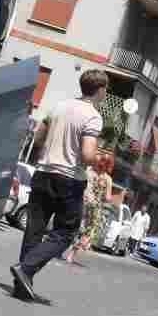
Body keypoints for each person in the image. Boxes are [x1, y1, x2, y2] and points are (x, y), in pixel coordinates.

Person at [10, 69, 108, 301]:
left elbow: (39, 138)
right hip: (69, 180)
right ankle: (26, 269)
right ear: (101, 90)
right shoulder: (93, 116)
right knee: (65, 232)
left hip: (43, 173)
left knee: (34, 228)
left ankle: (21, 284)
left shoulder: (59, 106)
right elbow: (86, 155)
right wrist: (99, 158)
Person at [65, 152, 113, 264]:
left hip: (83, 203)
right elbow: (108, 197)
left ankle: (65, 250)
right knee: (85, 232)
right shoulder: (107, 179)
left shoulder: (89, 171)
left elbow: (81, 185)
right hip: (93, 209)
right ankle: (71, 253)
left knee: (76, 227)